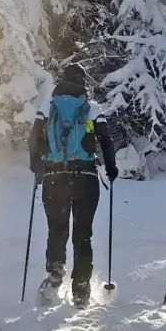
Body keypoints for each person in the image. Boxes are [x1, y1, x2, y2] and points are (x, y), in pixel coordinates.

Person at [28, 63, 118, 308]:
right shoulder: (91, 108)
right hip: (85, 177)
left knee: (56, 229)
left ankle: (54, 278)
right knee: (83, 233)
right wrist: (111, 168)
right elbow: (106, 140)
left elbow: (34, 137)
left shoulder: (48, 106)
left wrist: (36, 166)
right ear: (82, 82)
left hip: (54, 176)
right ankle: (80, 290)